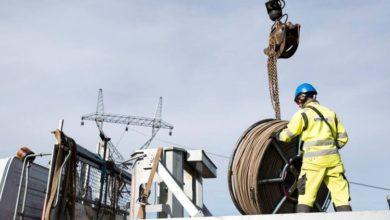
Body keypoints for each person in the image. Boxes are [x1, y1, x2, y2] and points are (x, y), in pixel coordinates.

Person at [274, 83, 352, 212]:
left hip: (313, 163)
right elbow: (343, 139)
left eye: (298, 100)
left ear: (302, 97)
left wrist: (278, 135)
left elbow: (289, 134)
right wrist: (330, 148)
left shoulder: (303, 114)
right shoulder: (330, 113)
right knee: (341, 197)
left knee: (306, 196)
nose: (298, 104)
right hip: (334, 161)